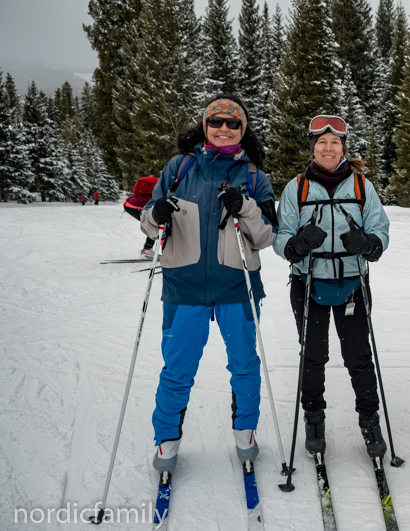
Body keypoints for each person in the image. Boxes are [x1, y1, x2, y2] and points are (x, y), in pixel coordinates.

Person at [140, 94, 278, 475]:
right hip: (183, 287)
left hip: (238, 287)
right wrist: (157, 212)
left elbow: (268, 235)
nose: (223, 128)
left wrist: (244, 205)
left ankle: (245, 432)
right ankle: (167, 439)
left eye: (232, 123)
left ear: (242, 130)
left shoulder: (253, 176)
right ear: (205, 126)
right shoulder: (179, 168)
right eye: (216, 121)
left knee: (245, 365)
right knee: (177, 368)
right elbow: (148, 224)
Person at [273, 115, 390, 459]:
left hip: (352, 281)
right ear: (313, 147)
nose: (328, 148)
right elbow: (281, 237)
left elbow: (381, 230)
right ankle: (313, 418)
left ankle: (370, 421)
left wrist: (368, 242)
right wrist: (295, 245)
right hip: (307, 282)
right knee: (313, 357)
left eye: (335, 142)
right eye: (322, 142)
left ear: (343, 148)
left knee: (359, 357)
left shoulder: (361, 186)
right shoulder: (297, 187)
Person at [123, 173, 160, 260]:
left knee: (154, 225)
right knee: (153, 225)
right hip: (135, 206)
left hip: (130, 203)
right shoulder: (160, 194)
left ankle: (148, 249)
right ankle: (147, 250)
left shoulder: (155, 193)